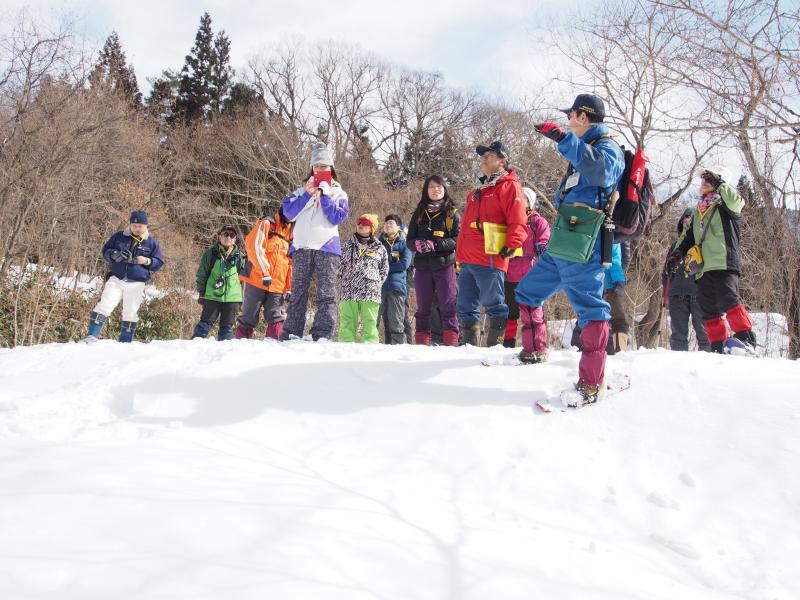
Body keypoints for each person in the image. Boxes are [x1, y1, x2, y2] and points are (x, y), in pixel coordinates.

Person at [517, 93, 625, 405]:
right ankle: (535, 350)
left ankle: (592, 383)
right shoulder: (586, 147)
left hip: (585, 241)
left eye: (571, 116)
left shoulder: (608, 146)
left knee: (591, 309)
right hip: (564, 237)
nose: (567, 121)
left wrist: (563, 139)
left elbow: (603, 172)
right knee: (526, 292)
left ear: (582, 116)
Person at [667, 165, 755, 353]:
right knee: (708, 308)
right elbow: (687, 237)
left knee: (728, 299)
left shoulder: (727, 205)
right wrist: (677, 253)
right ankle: (718, 344)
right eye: (704, 179)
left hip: (724, 261)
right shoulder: (699, 210)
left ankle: (745, 337)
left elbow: (738, 202)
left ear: (718, 181)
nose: (704, 182)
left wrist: (721, 183)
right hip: (703, 267)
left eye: (708, 178)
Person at [455, 143, 527, 346]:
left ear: (502, 160)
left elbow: (518, 219)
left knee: (494, 303)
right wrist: (459, 256)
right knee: (465, 305)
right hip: (468, 257)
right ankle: (469, 348)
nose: (483, 159)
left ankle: (495, 349)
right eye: (482, 155)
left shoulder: (509, 185)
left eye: (489, 155)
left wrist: (512, 243)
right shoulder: (477, 190)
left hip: (491, 255)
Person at [280, 142, 349, 341]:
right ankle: (291, 332)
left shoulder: (339, 193)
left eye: (324, 166)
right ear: (311, 168)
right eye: (317, 166)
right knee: (298, 292)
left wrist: (325, 195)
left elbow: (337, 217)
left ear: (331, 169)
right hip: (302, 246)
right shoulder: (301, 192)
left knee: (326, 293)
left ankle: (322, 333)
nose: (320, 169)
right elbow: (288, 213)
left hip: (327, 246)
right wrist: (308, 195)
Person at [84, 210, 164, 342]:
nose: (137, 229)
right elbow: (105, 251)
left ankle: (125, 342)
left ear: (146, 226)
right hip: (117, 278)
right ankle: (92, 336)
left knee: (131, 312)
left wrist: (146, 261)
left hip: (137, 282)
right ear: (130, 225)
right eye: (134, 226)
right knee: (105, 304)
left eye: (140, 226)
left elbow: (159, 262)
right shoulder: (119, 236)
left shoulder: (152, 243)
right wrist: (114, 255)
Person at [406, 175, 461, 346]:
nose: (435, 190)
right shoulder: (419, 213)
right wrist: (417, 245)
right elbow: (409, 240)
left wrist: (435, 244)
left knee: (448, 307)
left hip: (445, 265)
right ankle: (422, 344)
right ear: (426, 191)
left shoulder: (452, 213)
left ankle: (451, 344)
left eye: (439, 187)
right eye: (431, 187)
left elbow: (458, 240)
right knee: (423, 308)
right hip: (422, 267)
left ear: (444, 189)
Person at [504, 187, 551, 362]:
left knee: (533, 310)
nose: (518, 201)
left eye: (522, 198)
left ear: (529, 202)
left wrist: (542, 247)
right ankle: (507, 344)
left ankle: (540, 347)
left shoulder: (537, 221)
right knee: (511, 312)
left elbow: (545, 240)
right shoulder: (508, 221)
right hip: (510, 272)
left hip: (531, 271)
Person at [235, 208, 294, 340]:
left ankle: (272, 349)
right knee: (248, 316)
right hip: (256, 279)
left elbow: (290, 264)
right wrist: (265, 272)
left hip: (277, 285)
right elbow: (254, 247)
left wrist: (289, 288)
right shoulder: (267, 224)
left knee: (277, 318)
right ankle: (240, 348)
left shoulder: (290, 235)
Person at [663, 209, 711, 351]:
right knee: (678, 334)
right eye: (685, 218)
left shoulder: (703, 245)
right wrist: (665, 295)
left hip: (698, 294)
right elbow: (665, 272)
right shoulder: (675, 247)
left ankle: (710, 363)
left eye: (690, 218)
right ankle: (678, 366)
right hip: (676, 293)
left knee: (704, 333)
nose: (687, 221)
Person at [570, 242, 630, 355]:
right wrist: (619, 278)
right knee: (617, 319)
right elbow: (615, 256)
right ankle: (619, 353)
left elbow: (620, 256)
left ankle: (580, 350)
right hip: (607, 280)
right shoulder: (611, 228)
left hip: (595, 280)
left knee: (589, 316)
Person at [338, 214, 389, 343]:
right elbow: (339, 266)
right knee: (347, 322)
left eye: (365, 223)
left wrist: (375, 283)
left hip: (370, 292)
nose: (361, 225)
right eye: (359, 222)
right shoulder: (346, 245)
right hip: (348, 291)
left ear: (372, 228)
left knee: (370, 323)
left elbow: (384, 270)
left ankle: (370, 351)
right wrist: (345, 279)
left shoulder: (380, 248)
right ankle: (344, 350)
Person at [192, 225, 247, 341]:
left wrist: (244, 297)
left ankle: (224, 355)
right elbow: (202, 274)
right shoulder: (210, 254)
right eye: (226, 234)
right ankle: (192, 348)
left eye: (232, 236)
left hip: (233, 298)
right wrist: (201, 292)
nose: (228, 238)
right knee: (204, 325)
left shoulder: (241, 257)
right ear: (219, 237)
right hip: (212, 295)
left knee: (227, 328)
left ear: (235, 239)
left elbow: (246, 280)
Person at [378, 214, 412, 344]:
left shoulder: (404, 244)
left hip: (397, 287)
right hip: (379, 287)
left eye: (391, 223)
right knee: (378, 320)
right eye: (386, 223)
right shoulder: (378, 243)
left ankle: (398, 348)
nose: (387, 225)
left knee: (397, 321)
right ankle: (383, 348)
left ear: (398, 227)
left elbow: (404, 264)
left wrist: (384, 267)